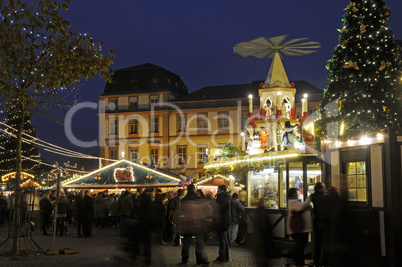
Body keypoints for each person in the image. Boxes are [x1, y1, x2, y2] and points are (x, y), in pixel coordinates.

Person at [179, 184, 209, 265]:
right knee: (199, 242)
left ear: (188, 190)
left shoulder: (183, 200)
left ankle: (184, 259)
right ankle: (199, 260)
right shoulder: (199, 199)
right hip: (198, 222)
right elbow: (204, 210)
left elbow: (182, 211)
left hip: (187, 222)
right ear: (194, 189)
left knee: (186, 242)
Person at [287, 187, 312, 267]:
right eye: (296, 192)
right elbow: (301, 208)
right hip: (298, 228)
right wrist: (308, 199)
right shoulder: (292, 202)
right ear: (293, 194)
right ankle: (299, 262)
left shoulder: (294, 202)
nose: (297, 194)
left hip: (300, 228)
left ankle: (298, 262)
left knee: (300, 246)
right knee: (300, 246)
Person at [311, 182, 331, 267]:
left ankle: (316, 262)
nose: (325, 188)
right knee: (326, 243)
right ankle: (325, 262)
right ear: (320, 188)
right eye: (323, 187)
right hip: (325, 222)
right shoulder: (325, 197)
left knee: (318, 243)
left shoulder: (313, 196)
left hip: (316, 222)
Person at [213, 185, 231, 264]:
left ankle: (222, 257)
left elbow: (218, 209)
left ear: (222, 190)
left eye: (218, 190)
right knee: (224, 239)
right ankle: (225, 256)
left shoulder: (221, 198)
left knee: (222, 240)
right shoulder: (226, 197)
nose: (217, 191)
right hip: (226, 220)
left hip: (222, 221)